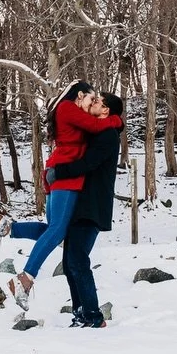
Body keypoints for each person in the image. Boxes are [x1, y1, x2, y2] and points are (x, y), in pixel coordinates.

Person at [0, 80, 121, 311]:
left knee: (53, 230)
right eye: (91, 98)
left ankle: (8, 228)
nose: (92, 103)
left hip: (60, 174)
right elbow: (96, 128)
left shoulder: (70, 111)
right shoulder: (69, 109)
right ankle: (25, 278)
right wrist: (117, 121)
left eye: (96, 101)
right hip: (66, 177)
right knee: (57, 231)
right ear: (79, 96)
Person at [46, 91, 122, 328]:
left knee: (77, 259)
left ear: (106, 110)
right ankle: (81, 313)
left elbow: (88, 164)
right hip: (80, 203)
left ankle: (93, 317)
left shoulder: (108, 135)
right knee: (70, 262)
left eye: (97, 101)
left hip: (93, 205)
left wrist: (59, 172)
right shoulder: (96, 131)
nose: (93, 102)